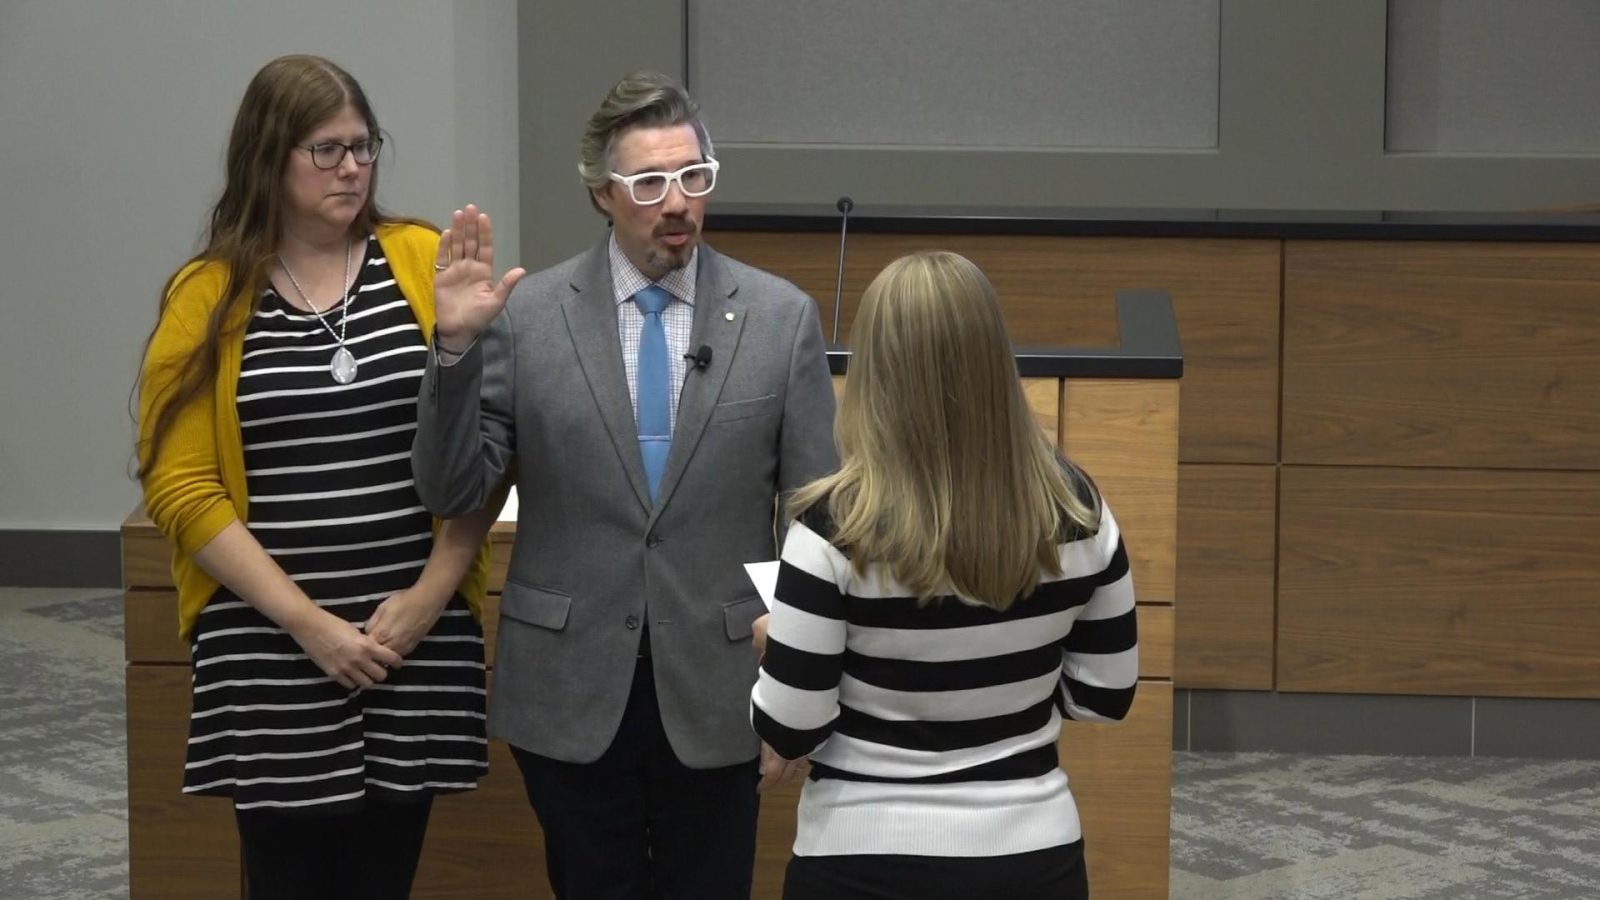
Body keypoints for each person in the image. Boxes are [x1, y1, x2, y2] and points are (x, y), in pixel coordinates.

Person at [411, 70, 838, 898]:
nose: (676, 202)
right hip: (570, 687)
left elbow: (818, 521)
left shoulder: (780, 317)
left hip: (720, 690)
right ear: (603, 194)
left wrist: (804, 685)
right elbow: (455, 490)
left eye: (692, 178)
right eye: (649, 183)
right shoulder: (526, 317)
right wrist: (457, 354)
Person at [136, 55, 501, 900]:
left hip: (410, 640)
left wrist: (429, 597)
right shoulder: (209, 293)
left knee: (385, 878)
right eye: (325, 150)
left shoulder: (420, 261)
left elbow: (485, 451)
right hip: (271, 646)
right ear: (268, 157)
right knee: (287, 880)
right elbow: (182, 486)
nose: (352, 168)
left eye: (363, 147)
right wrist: (308, 625)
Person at [750, 251, 1139, 900]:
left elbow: (791, 727)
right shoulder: (1078, 511)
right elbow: (1105, 696)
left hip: (858, 855)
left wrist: (777, 645)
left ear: (873, 370)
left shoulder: (829, 526)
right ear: (994, 359)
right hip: (1033, 853)